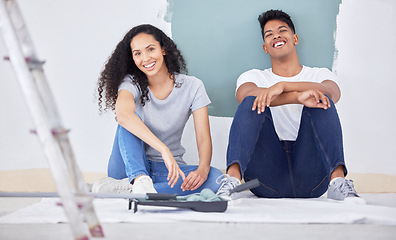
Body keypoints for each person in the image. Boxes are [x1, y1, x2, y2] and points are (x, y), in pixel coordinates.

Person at [216, 10, 364, 203]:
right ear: (265, 48)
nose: (276, 35)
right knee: (251, 101)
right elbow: (244, 94)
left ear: (294, 38)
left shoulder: (318, 74)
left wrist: (283, 86)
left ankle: (337, 183)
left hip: (312, 176)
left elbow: (332, 92)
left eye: (282, 30)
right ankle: (232, 181)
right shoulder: (254, 76)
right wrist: (296, 97)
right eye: (269, 34)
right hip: (265, 178)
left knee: (321, 100)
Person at [94, 24, 222, 195]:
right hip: (128, 166)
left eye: (150, 49)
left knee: (216, 178)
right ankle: (139, 180)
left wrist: (203, 169)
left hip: (166, 170)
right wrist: (164, 149)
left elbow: (203, 137)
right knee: (128, 119)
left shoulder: (193, 86)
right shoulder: (131, 83)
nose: (145, 58)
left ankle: (131, 191)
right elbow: (123, 115)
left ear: (163, 49)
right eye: (137, 53)